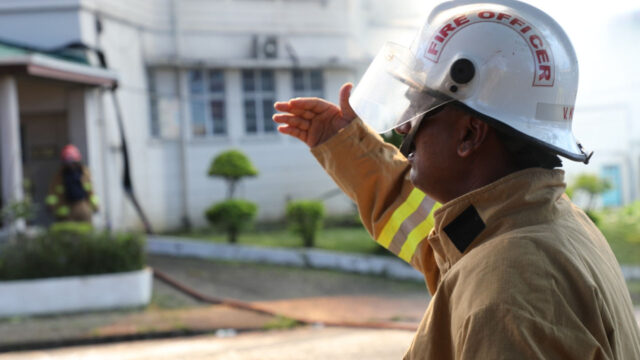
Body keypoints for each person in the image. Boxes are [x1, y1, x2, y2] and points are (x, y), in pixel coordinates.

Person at [274, 0, 640, 358]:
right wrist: (344, 146)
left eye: (419, 109)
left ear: (469, 134)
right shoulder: (540, 221)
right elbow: (444, 246)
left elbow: (485, 273)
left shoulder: (506, 290)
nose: (403, 125)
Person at [46, 144, 98, 223]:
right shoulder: (59, 176)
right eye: (67, 162)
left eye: (72, 161)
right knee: (68, 233)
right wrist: (51, 205)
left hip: (83, 206)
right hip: (65, 208)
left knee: (86, 231)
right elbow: (53, 192)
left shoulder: (84, 174)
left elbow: (91, 191)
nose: (70, 164)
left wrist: (95, 205)